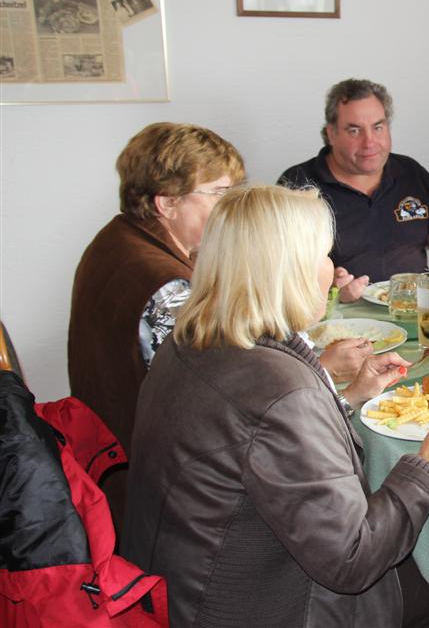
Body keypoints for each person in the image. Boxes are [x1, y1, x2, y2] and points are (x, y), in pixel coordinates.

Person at [123, 185, 429, 627]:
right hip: (256, 605)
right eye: (325, 256)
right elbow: (354, 558)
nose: (332, 269)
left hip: (189, 585)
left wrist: (345, 399)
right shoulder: (279, 387)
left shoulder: (194, 336)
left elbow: (258, 446)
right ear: (289, 271)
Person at [67, 123, 367, 531]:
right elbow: (229, 402)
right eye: (220, 193)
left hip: (111, 462)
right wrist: (323, 373)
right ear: (166, 203)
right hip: (164, 501)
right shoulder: (168, 287)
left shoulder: (117, 240)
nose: (231, 207)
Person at [278, 78, 429, 300]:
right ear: (331, 133)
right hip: (341, 317)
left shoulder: (411, 173)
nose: (369, 142)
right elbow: (281, 271)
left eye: (378, 127)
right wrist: (327, 286)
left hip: (416, 309)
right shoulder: (298, 185)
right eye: (354, 131)